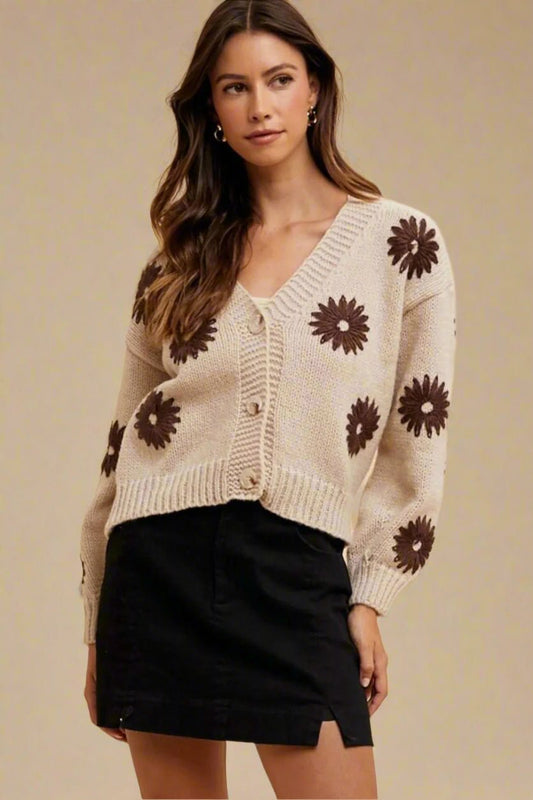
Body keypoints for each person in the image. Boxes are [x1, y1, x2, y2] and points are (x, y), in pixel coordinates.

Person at [79, 1, 457, 797]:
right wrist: (97, 625)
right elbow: (123, 448)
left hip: (294, 573)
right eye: (234, 87)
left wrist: (370, 597)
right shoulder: (177, 263)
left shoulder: (400, 245)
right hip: (157, 573)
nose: (259, 106)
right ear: (211, 108)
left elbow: (414, 439)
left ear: (313, 88)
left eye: (278, 80)